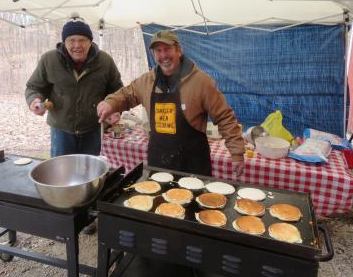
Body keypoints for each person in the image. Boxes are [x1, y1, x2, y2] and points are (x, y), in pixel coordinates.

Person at [97, 30, 245, 177]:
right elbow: (127, 95)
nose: (163, 56)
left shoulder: (201, 82)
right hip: (159, 163)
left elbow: (224, 117)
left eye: (167, 49)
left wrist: (237, 153)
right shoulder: (147, 81)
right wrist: (110, 103)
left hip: (192, 165)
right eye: (158, 51)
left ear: (179, 50)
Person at [25, 13, 123, 157]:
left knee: (89, 172)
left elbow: (117, 90)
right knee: (61, 173)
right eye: (71, 40)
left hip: (92, 129)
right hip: (61, 131)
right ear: (64, 42)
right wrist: (34, 100)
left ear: (90, 42)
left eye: (82, 40)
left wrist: (114, 108)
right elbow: (34, 87)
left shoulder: (105, 61)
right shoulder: (49, 60)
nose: (77, 45)